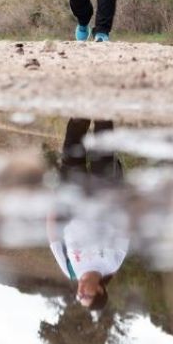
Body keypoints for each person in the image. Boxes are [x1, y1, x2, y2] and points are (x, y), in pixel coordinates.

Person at [47, 118, 128, 310]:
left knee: (72, 147)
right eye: (87, 295)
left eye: (79, 296)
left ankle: (81, 109)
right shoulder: (112, 264)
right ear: (100, 291)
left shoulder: (70, 270)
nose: (80, 292)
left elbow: (54, 239)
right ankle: (103, 106)